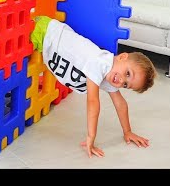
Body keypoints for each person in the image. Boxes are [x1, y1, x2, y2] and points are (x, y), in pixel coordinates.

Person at [30, 15, 157, 158]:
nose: (122, 81)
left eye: (126, 85)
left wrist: (127, 131)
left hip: (46, 40)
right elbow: (93, 102)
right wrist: (91, 136)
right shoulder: (100, 63)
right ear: (122, 57)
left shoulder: (111, 74)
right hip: (44, 30)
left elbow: (120, 103)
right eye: (127, 73)